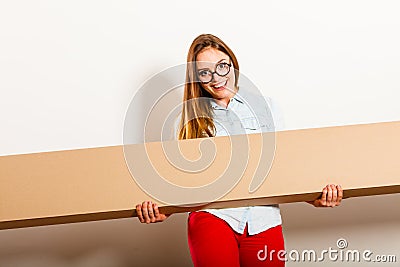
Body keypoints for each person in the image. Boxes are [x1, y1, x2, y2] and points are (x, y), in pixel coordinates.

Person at [136, 34, 343, 267]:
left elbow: (282, 166)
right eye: (205, 72)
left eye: (222, 67)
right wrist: (165, 208)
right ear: (197, 78)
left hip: (264, 220)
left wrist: (313, 197)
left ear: (233, 64)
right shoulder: (188, 120)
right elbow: (183, 179)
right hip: (213, 218)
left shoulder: (267, 107)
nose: (216, 78)